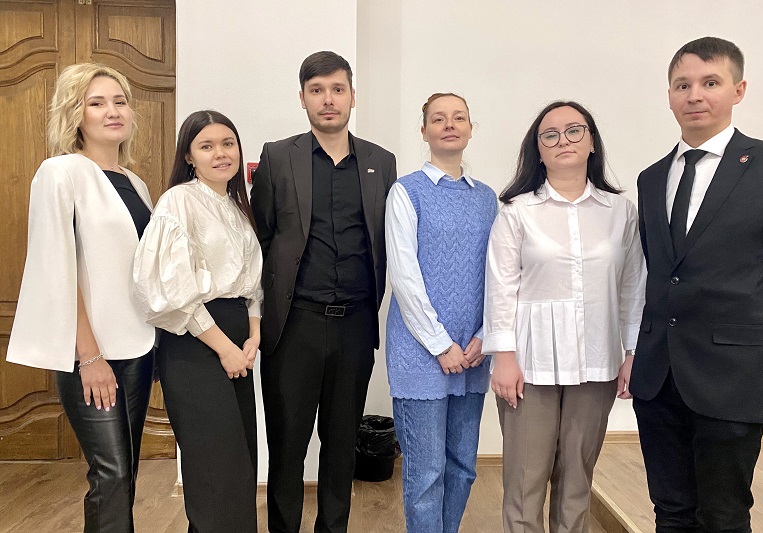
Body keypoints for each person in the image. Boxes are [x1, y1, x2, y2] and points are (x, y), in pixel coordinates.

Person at [630, 36, 763, 533]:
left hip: (736, 376)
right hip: (659, 377)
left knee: (724, 516)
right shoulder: (650, 178)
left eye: (710, 82)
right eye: (682, 85)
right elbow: (660, 274)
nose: (695, 95)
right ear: (669, 95)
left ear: (738, 90)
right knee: (671, 513)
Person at [250, 50, 397, 533]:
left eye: (337, 89)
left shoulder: (380, 162)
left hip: (355, 325)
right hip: (294, 327)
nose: (328, 99)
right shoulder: (278, 156)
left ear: (353, 96)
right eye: (317, 90)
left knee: (340, 447)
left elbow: (385, 241)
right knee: (287, 445)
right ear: (302, 98)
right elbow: (261, 239)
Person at [483, 101, 646, 533]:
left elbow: (633, 288)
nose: (563, 141)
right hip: (529, 365)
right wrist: (503, 358)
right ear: (538, 151)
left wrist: (633, 352)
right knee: (525, 482)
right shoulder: (517, 211)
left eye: (574, 130)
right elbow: (500, 288)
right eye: (550, 135)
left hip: (597, 362)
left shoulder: (620, 211)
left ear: (592, 141)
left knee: (577, 482)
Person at [6, 63, 156, 533]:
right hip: (90, 354)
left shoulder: (135, 183)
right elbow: (57, 267)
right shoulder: (60, 172)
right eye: (97, 103)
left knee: (124, 475)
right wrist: (89, 356)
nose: (113, 111)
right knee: (112, 473)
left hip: (139, 347)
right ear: (76, 115)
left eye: (120, 101)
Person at [132, 110, 262, 533]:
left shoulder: (237, 206)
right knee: (216, 468)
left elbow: (252, 285)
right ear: (189, 156)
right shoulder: (179, 201)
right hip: (196, 342)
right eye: (206, 146)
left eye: (228, 143)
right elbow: (171, 291)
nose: (220, 153)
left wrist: (253, 336)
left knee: (239, 465)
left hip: (237, 339)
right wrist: (225, 348)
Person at [385, 93, 497, 533]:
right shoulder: (406, 192)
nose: (449, 125)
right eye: (438, 119)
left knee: (462, 466)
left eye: (458, 118)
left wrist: (485, 335)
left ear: (470, 128)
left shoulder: (487, 198)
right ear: (424, 131)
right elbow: (404, 276)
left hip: (473, 352)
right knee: (426, 472)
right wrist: (439, 344)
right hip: (421, 354)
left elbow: (499, 273)